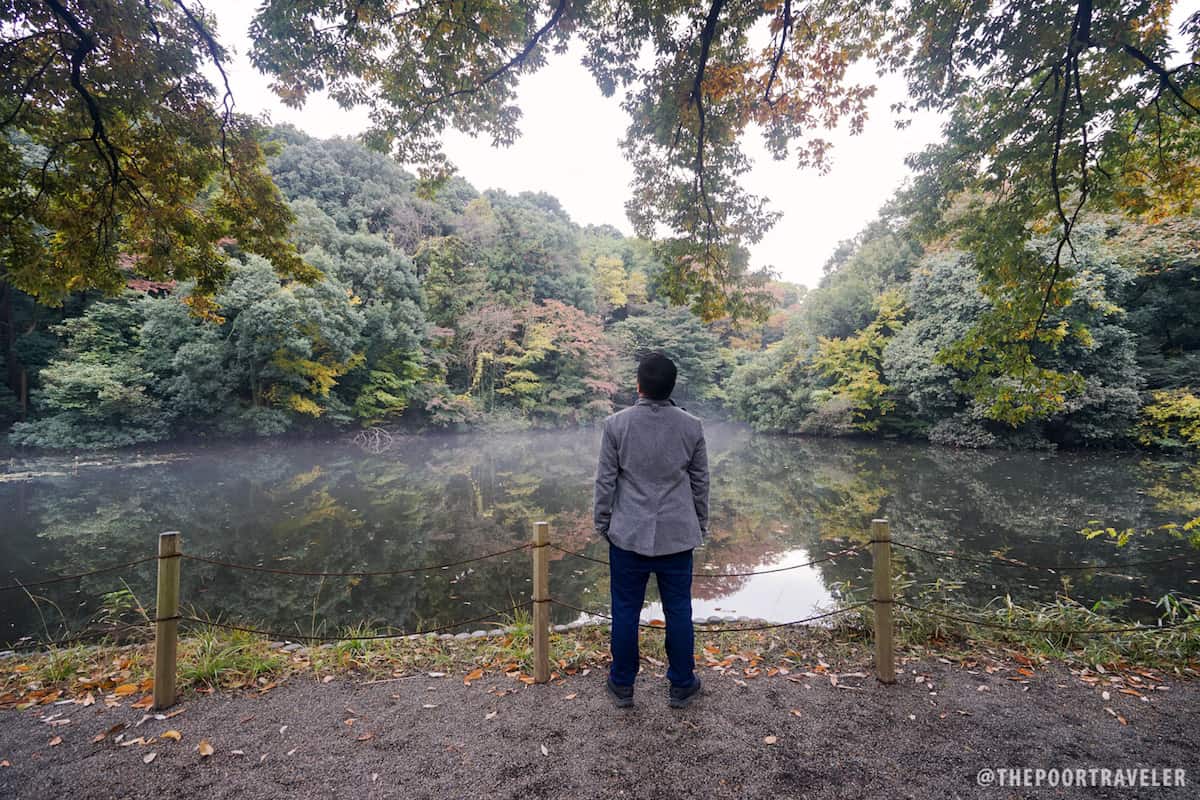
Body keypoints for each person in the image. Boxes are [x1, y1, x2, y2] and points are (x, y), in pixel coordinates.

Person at [593, 352, 709, 709]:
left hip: (628, 534)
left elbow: (605, 481)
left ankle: (623, 684)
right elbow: (700, 483)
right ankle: (681, 684)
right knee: (679, 610)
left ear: (639, 385)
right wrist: (698, 524)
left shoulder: (617, 425)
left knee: (625, 610)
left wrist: (603, 523)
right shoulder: (692, 426)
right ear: (672, 386)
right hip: (677, 536)